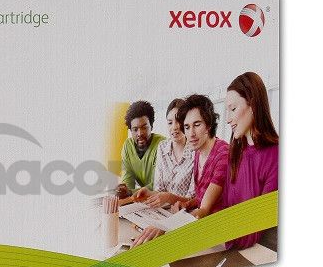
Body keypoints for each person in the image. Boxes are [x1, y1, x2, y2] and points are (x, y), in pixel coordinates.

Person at [132, 95, 228, 247]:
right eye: (187, 127)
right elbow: (200, 198)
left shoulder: (223, 154)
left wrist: (164, 226)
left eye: (197, 125)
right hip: (202, 229)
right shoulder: (199, 152)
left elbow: (204, 210)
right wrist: (186, 204)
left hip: (221, 236)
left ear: (209, 125)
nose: (191, 133)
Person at [223, 72, 279, 250]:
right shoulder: (235, 153)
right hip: (234, 244)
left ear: (253, 105)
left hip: (262, 250)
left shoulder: (276, 156)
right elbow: (228, 208)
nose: (228, 119)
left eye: (233, 109)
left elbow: (258, 222)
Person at [115, 101, 165, 199]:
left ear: (151, 126)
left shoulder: (163, 145)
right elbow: (128, 182)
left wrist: (130, 192)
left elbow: (159, 185)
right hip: (144, 200)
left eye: (144, 128)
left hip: (163, 198)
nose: (140, 133)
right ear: (130, 130)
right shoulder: (128, 146)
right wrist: (124, 190)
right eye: (135, 129)